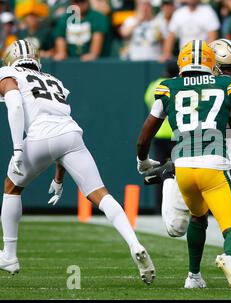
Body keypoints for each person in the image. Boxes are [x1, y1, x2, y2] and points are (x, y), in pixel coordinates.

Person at [0, 40, 155, 285]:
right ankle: (134, 243)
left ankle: (9, 256)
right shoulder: (53, 80)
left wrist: (18, 147)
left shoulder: (8, 73)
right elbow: (59, 129)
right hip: (71, 135)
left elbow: (16, 106)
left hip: (38, 137)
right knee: (100, 193)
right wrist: (59, 178)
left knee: (12, 188)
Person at [136, 40, 231, 291]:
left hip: (183, 167)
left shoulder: (168, 87)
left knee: (196, 219)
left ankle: (193, 277)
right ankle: (229, 258)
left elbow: (143, 138)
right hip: (213, 164)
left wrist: (143, 162)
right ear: (213, 65)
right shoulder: (226, 86)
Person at [143, 60, 178, 214]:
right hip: (176, 134)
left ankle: (160, 208)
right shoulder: (179, 85)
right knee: (180, 172)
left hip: (159, 134)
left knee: (160, 173)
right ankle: (179, 208)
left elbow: (149, 102)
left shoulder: (154, 85)